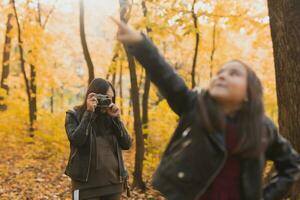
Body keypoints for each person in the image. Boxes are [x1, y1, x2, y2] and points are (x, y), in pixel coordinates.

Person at [112, 18, 300, 200]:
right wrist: (140, 44)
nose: (222, 76)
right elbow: (167, 78)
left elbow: (291, 164)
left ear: (249, 93)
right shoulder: (195, 106)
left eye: (233, 73)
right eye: (219, 73)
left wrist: (266, 196)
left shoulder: (263, 128)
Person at [64, 78, 132, 200]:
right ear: (93, 95)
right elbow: (77, 140)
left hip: (114, 184)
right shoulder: (74, 114)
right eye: (104, 97)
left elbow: (127, 144)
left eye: (110, 98)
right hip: (85, 187)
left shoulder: (111, 117)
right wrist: (89, 113)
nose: (107, 101)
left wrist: (117, 119)